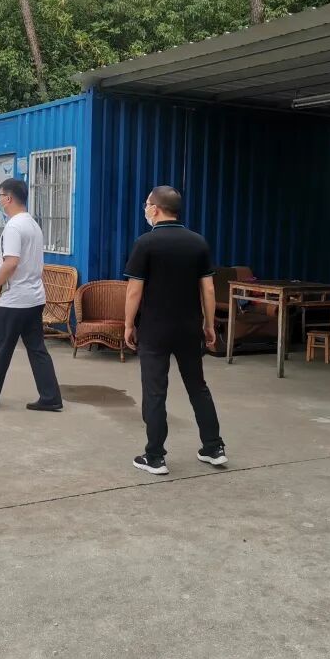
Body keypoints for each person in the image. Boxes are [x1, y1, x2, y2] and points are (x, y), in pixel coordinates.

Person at [124, 186, 227, 475]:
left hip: (155, 329)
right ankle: (214, 447)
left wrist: (129, 324)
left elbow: (134, 290)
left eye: (147, 204)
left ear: (155, 208)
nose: (145, 208)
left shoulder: (145, 243)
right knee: (198, 387)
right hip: (189, 328)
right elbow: (208, 288)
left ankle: (155, 456)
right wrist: (209, 324)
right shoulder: (197, 242)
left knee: (155, 391)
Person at [0, 178, 64, 412]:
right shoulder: (33, 225)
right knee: (37, 349)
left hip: (15, 299)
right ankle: (51, 396)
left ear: (7, 198)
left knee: (1, 349)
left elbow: (11, 262)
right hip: (34, 297)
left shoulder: (14, 227)